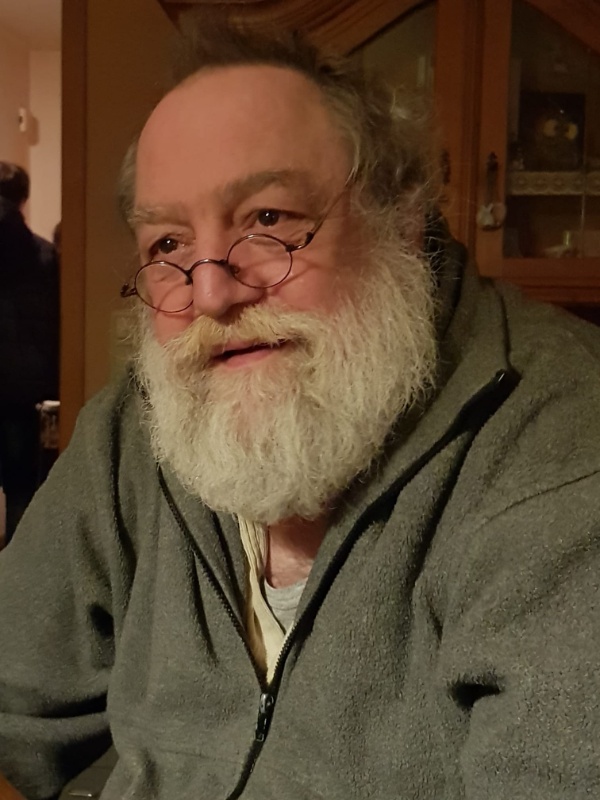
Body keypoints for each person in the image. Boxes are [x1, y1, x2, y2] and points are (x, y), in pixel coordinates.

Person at [1, 18, 599, 800]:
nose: (211, 292)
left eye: (268, 220)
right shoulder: (128, 435)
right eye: (168, 245)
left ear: (400, 218)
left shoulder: (562, 439)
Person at [0, 163, 59, 546]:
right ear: (24, 198)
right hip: (24, 391)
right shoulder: (44, 255)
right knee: (22, 488)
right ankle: (16, 570)